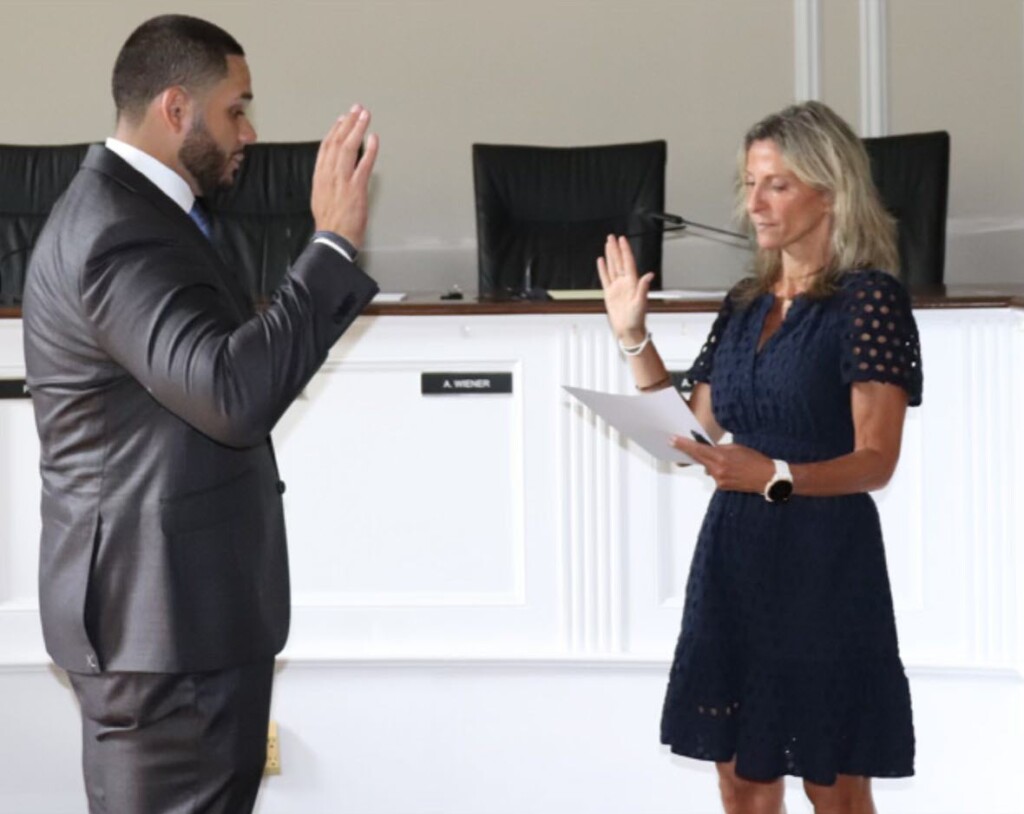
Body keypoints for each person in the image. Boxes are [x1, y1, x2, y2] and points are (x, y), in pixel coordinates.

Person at [22, 14, 379, 814]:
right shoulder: (119, 231)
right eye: (236, 109)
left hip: (175, 620)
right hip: (161, 628)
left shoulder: (142, 215)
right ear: (176, 108)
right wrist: (329, 249)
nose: (249, 131)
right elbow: (231, 395)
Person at [597, 100, 920, 814]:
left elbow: (876, 459)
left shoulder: (870, 301)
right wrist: (632, 336)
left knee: (831, 782)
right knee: (740, 776)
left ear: (828, 189)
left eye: (775, 183)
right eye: (750, 184)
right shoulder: (744, 303)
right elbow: (691, 432)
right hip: (735, 559)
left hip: (824, 561)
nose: (756, 203)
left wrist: (775, 476)